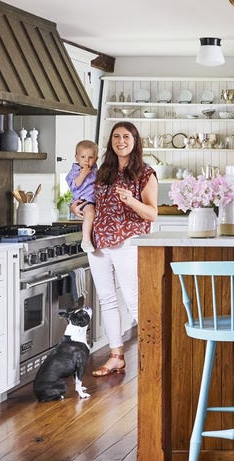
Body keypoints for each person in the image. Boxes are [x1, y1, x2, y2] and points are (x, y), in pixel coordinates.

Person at [73, 122, 158, 377]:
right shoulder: (102, 172)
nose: (120, 141)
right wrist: (76, 208)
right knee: (107, 301)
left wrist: (131, 200)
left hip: (127, 242)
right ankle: (116, 356)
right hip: (98, 242)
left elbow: (152, 213)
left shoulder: (144, 173)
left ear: (135, 141)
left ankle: (151, 354)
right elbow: (86, 198)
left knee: (134, 300)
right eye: (116, 137)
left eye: (126, 137)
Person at [65, 140, 99, 253]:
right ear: (76, 158)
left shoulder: (96, 170)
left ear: (96, 159)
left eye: (90, 157)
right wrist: (83, 174)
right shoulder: (75, 171)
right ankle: (85, 240)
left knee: (92, 214)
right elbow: (74, 186)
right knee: (90, 213)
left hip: (94, 201)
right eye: (83, 157)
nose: (86, 160)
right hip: (84, 201)